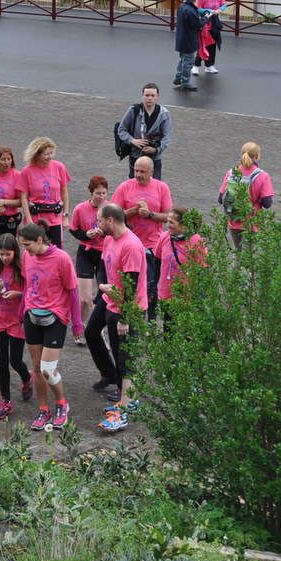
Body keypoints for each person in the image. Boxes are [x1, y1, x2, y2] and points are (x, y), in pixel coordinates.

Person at [91, 203, 148, 432]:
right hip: (112, 305)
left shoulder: (131, 245)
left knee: (126, 360)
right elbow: (103, 267)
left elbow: (131, 284)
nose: (97, 224)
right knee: (118, 354)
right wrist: (103, 286)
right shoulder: (109, 239)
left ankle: (123, 413)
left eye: (99, 220)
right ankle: (128, 401)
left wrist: (125, 316)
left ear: (110, 220)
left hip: (128, 310)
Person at [18, 222, 79, 431]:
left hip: (56, 317)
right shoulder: (27, 256)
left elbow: (73, 291)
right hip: (32, 316)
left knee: (47, 369)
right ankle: (43, 409)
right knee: (36, 368)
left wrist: (77, 323)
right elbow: (28, 285)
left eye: (27, 245)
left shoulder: (62, 259)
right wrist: (22, 311)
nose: (25, 249)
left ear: (40, 240)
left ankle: (62, 403)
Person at [111, 156, 171, 315]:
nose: (138, 174)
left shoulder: (161, 188)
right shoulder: (124, 187)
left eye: (143, 172)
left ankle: (150, 320)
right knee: (129, 283)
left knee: (151, 285)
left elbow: (168, 216)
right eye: (136, 170)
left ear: (152, 172)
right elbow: (113, 216)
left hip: (153, 245)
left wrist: (150, 214)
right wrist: (134, 211)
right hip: (129, 245)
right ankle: (128, 316)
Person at [0, 233, 32, 419]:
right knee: (1, 360)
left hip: (16, 319)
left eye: (8, 254)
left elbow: (31, 292)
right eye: (1, 254)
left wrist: (18, 294)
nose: (5, 257)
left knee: (15, 360)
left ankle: (27, 377)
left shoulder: (22, 268)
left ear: (15, 252)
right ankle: (6, 401)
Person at [68, 175, 109, 342]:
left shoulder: (110, 209)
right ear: (91, 193)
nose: (101, 196)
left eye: (104, 193)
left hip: (105, 254)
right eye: (98, 193)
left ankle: (98, 328)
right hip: (86, 252)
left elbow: (119, 230)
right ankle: (81, 325)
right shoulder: (80, 209)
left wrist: (104, 233)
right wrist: (86, 235)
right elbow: (73, 230)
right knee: (85, 298)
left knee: (103, 296)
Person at [219, 141, 275, 249]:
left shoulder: (231, 173)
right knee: (249, 254)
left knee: (238, 252)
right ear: (257, 156)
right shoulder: (262, 176)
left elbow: (220, 198)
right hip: (251, 221)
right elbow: (267, 203)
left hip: (233, 220)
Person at [154, 206, 207, 317]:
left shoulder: (196, 241)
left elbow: (203, 271)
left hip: (186, 297)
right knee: (167, 325)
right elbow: (156, 264)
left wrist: (199, 297)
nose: (167, 225)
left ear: (183, 225)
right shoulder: (164, 237)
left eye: (171, 222)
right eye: (167, 221)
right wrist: (152, 287)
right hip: (166, 294)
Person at [20, 137, 71, 248]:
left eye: (51, 153)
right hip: (36, 218)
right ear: (37, 154)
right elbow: (24, 198)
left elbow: (64, 192)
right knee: (35, 249)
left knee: (56, 250)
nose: (49, 157)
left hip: (55, 218)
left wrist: (65, 216)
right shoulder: (27, 171)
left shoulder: (59, 167)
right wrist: (29, 220)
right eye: (46, 154)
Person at [116, 83, 172, 181]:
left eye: (152, 96)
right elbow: (121, 130)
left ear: (157, 96)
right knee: (134, 184)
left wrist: (156, 149)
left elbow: (166, 137)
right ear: (142, 96)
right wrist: (133, 141)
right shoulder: (133, 111)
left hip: (154, 158)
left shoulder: (164, 114)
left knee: (154, 185)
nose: (149, 98)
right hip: (136, 155)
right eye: (147, 95)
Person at [193, 0, 227, 75]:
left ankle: (209, 66)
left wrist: (220, 10)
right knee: (203, 45)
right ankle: (196, 66)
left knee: (212, 45)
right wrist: (209, 11)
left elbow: (224, 4)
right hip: (205, 22)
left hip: (215, 23)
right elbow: (198, 9)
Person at [173, 0, 202, 91]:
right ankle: (185, 83)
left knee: (182, 59)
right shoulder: (190, 10)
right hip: (188, 39)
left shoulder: (182, 6)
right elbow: (198, 25)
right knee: (188, 62)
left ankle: (178, 77)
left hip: (181, 38)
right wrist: (206, 18)